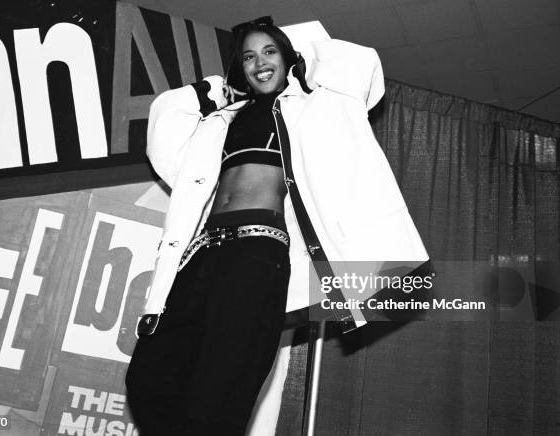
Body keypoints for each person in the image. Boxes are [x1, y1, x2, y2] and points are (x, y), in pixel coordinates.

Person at [125, 16, 428, 436]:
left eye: (270, 52)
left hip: (257, 254)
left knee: (224, 386)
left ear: (290, 57)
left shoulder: (318, 103)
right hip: (202, 255)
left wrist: (296, 48)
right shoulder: (222, 119)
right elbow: (162, 127)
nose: (259, 62)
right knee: (148, 377)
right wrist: (212, 88)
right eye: (248, 56)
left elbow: (361, 64)